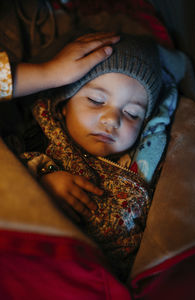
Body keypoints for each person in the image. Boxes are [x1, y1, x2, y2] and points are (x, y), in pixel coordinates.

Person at [20, 33, 162, 281]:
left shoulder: (146, 161)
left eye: (131, 113)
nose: (112, 120)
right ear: (64, 105)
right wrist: (44, 178)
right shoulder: (41, 139)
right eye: (96, 100)